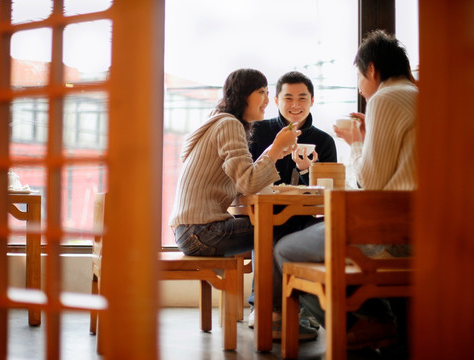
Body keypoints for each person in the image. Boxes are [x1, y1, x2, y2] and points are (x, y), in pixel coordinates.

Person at [273, 29, 417, 355]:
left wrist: (356, 143)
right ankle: (383, 323)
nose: (360, 88)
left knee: (284, 250)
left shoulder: (385, 98)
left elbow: (371, 184)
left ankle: (364, 326)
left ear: (371, 70)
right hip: (427, 230)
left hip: (388, 233)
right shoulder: (425, 96)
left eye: (359, 77)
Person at [168, 68, 298, 258]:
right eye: (261, 92)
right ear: (242, 94)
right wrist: (276, 148)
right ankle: (269, 288)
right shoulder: (229, 124)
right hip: (201, 232)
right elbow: (249, 183)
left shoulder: (219, 122)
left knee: (278, 223)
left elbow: (244, 179)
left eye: (268, 93)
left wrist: (273, 151)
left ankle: (265, 288)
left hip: (189, 231)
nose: (267, 101)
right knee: (287, 223)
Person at [247, 71, 338, 336]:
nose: (295, 104)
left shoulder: (324, 141)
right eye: (288, 97)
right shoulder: (259, 131)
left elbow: (331, 189)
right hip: (267, 212)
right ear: (276, 100)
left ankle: (303, 308)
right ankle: (267, 307)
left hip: (311, 217)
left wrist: (310, 171)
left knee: (304, 229)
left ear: (312, 101)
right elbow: (247, 176)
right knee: (274, 228)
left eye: (302, 98)